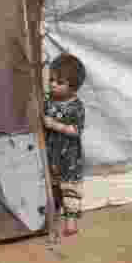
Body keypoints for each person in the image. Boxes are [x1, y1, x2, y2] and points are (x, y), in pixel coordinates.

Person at [43, 53, 86, 239]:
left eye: (59, 82)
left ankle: (71, 220)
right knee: (52, 186)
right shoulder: (48, 101)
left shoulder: (76, 106)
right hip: (51, 153)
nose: (53, 84)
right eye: (51, 80)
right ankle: (53, 216)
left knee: (70, 188)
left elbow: (76, 130)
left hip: (69, 156)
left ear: (73, 86)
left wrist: (54, 125)